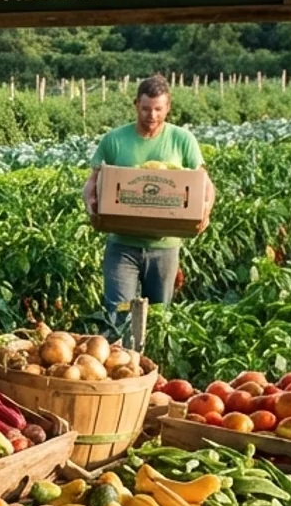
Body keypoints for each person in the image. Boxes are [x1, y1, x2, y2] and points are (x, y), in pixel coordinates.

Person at [81, 75, 212, 330]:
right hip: (122, 245)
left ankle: (152, 368)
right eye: (145, 108)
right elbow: (93, 181)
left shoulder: (182, 139)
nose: (152, 115)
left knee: (159, 318)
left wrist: (205, 208)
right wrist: (91, 203)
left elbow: (204, 183)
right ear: (135, 105)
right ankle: (121, 364)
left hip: (164, 247)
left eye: (158, 109)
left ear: (168, 107)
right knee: (118, 314)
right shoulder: (115, 140)